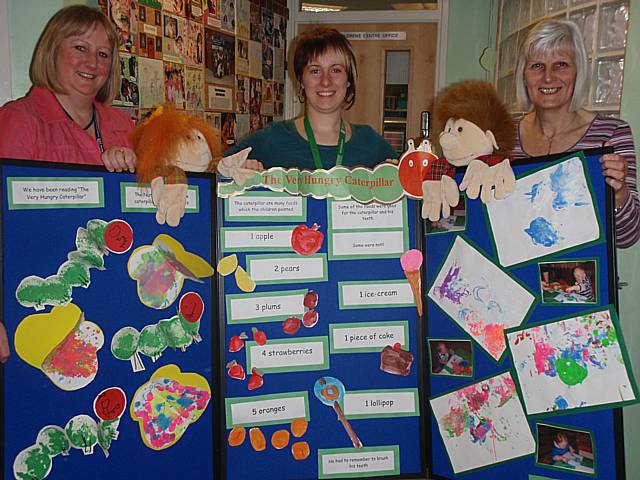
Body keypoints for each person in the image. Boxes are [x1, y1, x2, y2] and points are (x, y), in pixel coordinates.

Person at [512, 19, 639, 248]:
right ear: (524, 75)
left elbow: (627, 238)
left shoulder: (611, 135)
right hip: (513, 279)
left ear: (578, 72)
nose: (548, 77)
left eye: (561, 65)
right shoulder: (502, 137)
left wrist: (619, 193)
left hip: (583, 278)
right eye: (537, 66)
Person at [224, 27, 398, 170]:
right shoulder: (273, 138)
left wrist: (390, 177)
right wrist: (240, 171)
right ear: (301, 80)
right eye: (315, 70)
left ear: (348, 81)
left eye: (335, 70)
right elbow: (213, 170)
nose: (325, 81)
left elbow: (414, 183)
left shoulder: (371, 143)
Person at [0, 5, 136, 172]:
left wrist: (136, 170)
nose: (92, 63)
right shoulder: (18, 122)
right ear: (53, 50)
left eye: (103, 54)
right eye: (80, 48)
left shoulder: (124, 125)